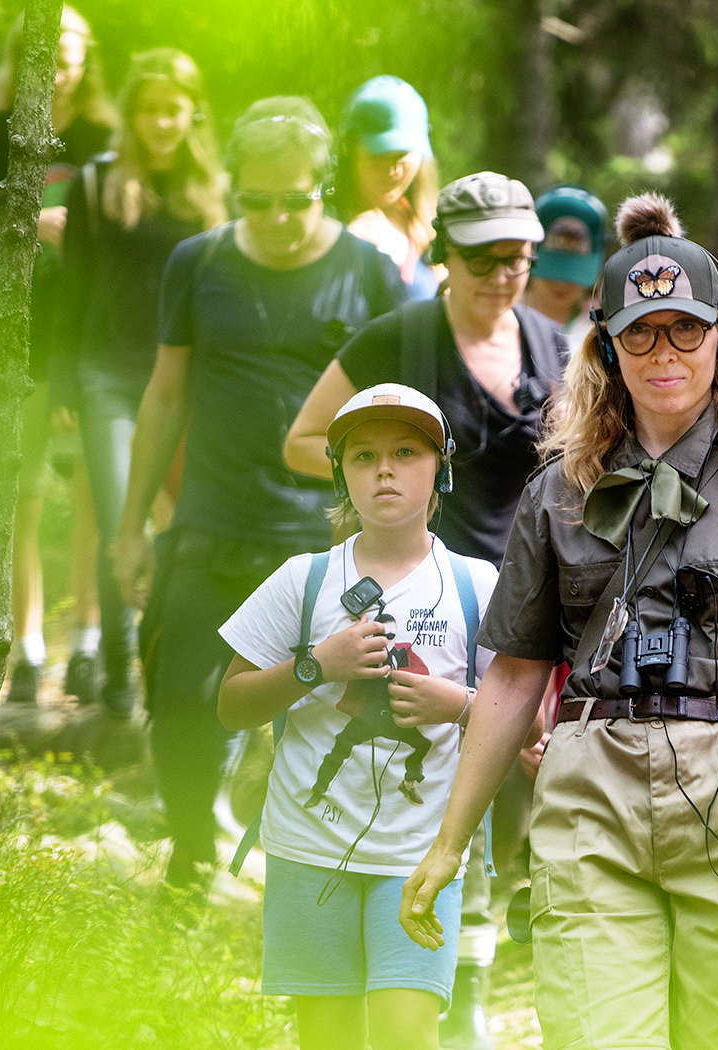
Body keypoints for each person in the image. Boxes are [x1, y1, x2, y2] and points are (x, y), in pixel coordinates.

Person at [399, 194, 718, 1050]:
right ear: (605, 346)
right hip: (591, 786)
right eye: (640, 333)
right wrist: (449, 842)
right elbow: (512, 676)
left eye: (685, 330)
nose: (663, 354)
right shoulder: (557, 490)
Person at [285, 169, 565, 1048]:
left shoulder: (557, 345)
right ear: (444, 254)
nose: (502, 274)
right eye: (483, 257)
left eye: (518, 256)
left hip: (531, 600)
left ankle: (467, 974)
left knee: (516, 781)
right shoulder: (399, 339)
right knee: (438, 775)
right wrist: (387, 480)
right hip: (427, 595)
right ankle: (439, 980)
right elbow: (302, 439)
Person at [112, 96, 409, 888]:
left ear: (324, 188)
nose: (276, 218)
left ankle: (314, 878)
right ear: (233, 187)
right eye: (257, 200)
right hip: (210, 525)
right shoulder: (198, 262)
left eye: (295, 200)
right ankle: (192, 861)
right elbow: (164, 397)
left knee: (322, 717)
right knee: (180, 699)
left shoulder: (370, 272)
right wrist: (130, 526)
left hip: (322, 540)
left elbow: (398, 415)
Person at [219, 384, 497, 1050]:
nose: (384, 471)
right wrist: (317, 666)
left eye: (406, 453)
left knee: (407, 1034)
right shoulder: (303, 579)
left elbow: (528, 721)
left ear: (440, 469)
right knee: (328, 1038)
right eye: (363, 456)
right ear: (340, 472)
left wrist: (456, 704)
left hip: (424, 855)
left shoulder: (477, 585)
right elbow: (231, 706)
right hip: (307, 848)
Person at [56, 47, 227, 714]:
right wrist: (65, 385)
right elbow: (73, 290)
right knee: (119, 522)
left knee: (195, 526)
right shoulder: (97, 184)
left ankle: (185, 670)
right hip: (109, 375)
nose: (160, 122)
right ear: (131, 114)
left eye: (172, 110)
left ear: (192, 114)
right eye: (149, 110)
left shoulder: (212, 191)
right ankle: (119, 677)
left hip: (189, 380)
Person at [0, 5, 117, 704]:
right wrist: (29, 225)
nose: (57, 70)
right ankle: (26, 650)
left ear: (88, 63)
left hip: (90, 341)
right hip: (12, 342)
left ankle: (87, 644)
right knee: (20, 499)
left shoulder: (106, 141)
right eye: (44, 57)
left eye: (69, 57)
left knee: (92, 496)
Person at [333, 76, 440, 299]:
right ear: (350, 150)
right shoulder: (328, 226)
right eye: (379, 155)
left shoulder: (430, 227)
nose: (393, 171)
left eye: (402, 155)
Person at [523, 184, 608, 345]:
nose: (561, 282)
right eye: (551, 271)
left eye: (573, 274)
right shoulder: (500, 318)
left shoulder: (600, 334)